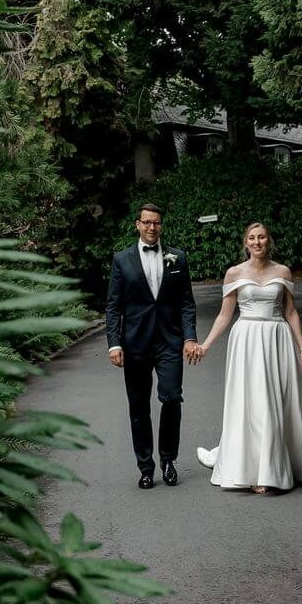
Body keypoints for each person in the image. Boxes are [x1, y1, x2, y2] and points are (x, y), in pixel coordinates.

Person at [190, 221, 302, 494]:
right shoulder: (234, 273)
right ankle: (254, 469)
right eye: (252, 238)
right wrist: (205, 345)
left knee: (275, 401)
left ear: (269, 241)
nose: (257, 242)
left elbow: (291, 312)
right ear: (246, 243)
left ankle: (271, 469)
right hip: (246, 340)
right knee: (252, 402)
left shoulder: (282, 271)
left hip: (277, 339)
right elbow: (224, 315)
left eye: (262, 237)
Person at [104, 203, 201, 489]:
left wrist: (190, 337)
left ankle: (168, 460)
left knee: (171, 399)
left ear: (162, 225)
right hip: (135, 344)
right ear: (137, 224)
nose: (151, 227)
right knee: (138, 407)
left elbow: (186, 302)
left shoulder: (177, 257)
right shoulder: (122, 260)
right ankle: (145, 467)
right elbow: (113, 306)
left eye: (156, 222)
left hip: (169, 342)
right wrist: (114, 344)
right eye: (146, 222)